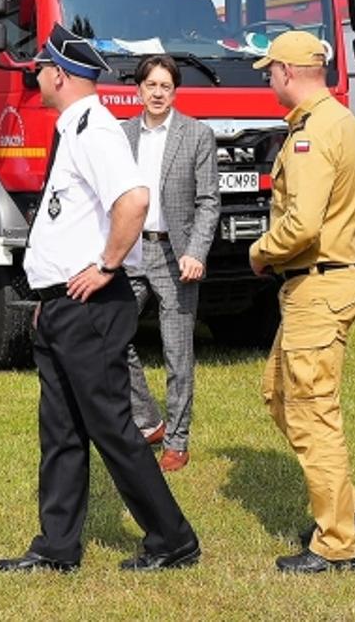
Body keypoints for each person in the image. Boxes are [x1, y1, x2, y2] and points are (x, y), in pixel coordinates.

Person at [0, 27, 200, 574]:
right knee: (60, 432)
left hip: (89, 307)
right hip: (61, 306)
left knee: (111, 428)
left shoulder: (94, 129)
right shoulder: (77, 127)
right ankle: (57, 547)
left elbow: (134, 201)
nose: (36, 76)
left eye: (41, 68)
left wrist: (106, 265)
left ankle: (172, 539)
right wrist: (50, 291)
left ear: (59, 74)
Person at [249, 31, 355, 573]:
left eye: (268, 70)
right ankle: (347, 506)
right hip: (323, 284)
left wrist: (259, 251)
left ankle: (337, 543)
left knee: (311, 415)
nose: (266, 78)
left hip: (318, 285)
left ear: (289, 71)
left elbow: (302, 224)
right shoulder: (335, 120)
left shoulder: (311, 133)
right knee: (279, 395)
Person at [120, 55, 220, 473]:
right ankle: (149, 420)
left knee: (178, 354)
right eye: (151, 85)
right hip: (129, 251)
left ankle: (177, 442)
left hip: (175, 255)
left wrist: (196, 251)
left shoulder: (197, 135)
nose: (158, 93)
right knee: (110, 337)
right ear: (139, 90)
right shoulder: (121, 134)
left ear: (174, 91)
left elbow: (208, 201)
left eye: (166, 86)